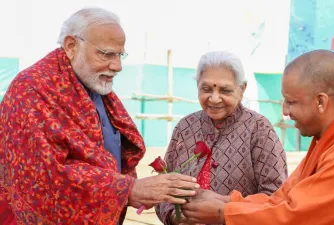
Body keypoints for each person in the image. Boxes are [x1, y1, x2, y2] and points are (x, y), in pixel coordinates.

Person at [0, 7, 199, 225]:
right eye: (106, 54)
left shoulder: (93, 87)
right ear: (71, 46)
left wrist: (133, 189)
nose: (118, 66)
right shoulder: (31, 90)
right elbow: (44, 178)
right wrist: (128, 190)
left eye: (120, 54)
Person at [180, 50, 334, 225]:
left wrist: (223, 213)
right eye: (206, 88)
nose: (284, 111)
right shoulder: (328, 141)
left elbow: (293, 216)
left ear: (320, 102)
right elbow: (281, 199)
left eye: (291, 102)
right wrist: (225, 201)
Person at [156, 51, 288, 225]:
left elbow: (276, 197)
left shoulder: (258, 129)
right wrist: (174, 217)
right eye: (206, 89)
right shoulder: (185, 127)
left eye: (225, 90)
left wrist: (224, 214)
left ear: (242, 89)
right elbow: (164, 189)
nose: (214, 98)